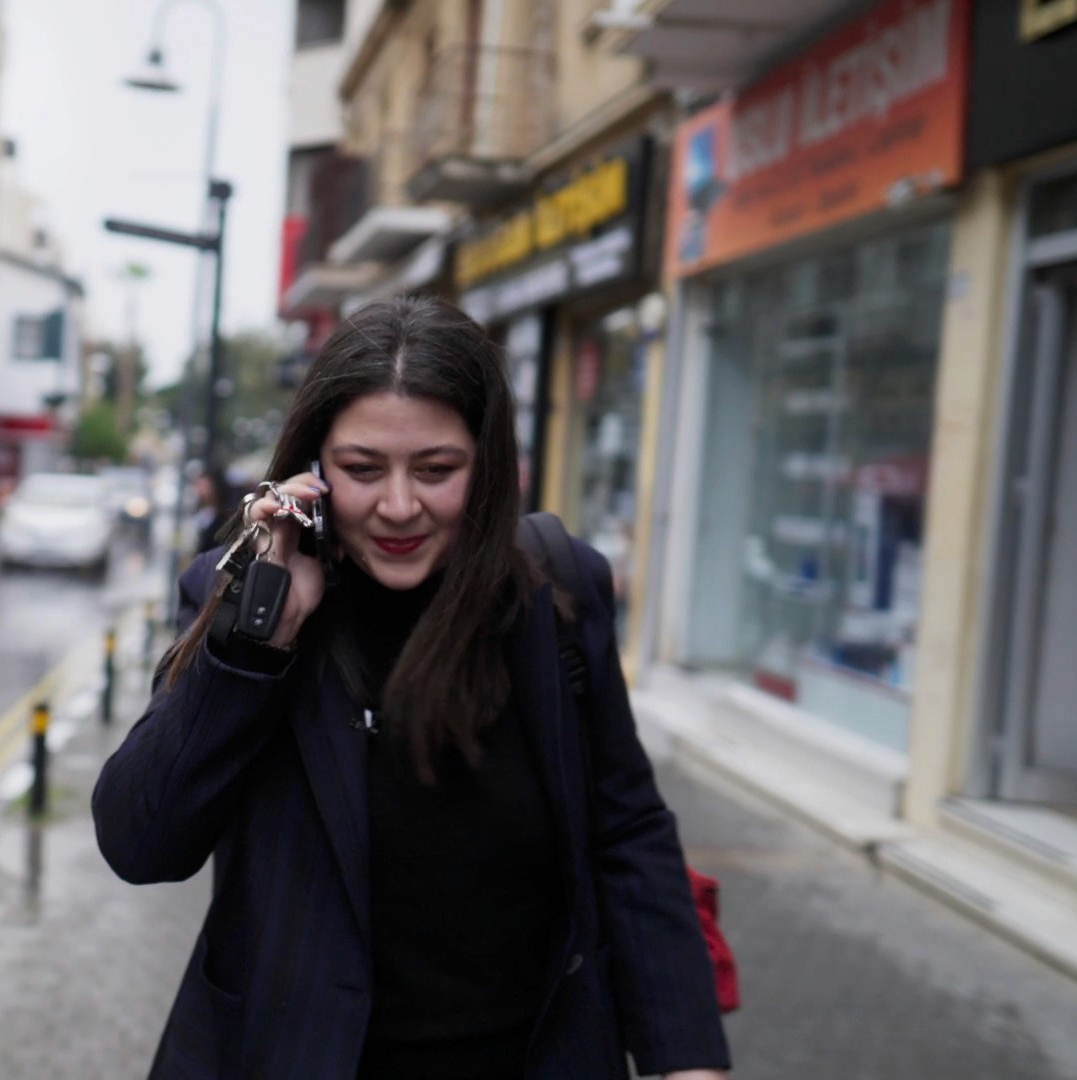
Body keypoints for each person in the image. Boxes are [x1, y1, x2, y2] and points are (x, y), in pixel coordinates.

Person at [93, 297, 731, 1079]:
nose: (399, 507)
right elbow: (140, 843)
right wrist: (258, 639)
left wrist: (687, 1056)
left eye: (436, 470)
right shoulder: (246, 602)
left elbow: (627, 829)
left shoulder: (559, 589)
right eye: (363, 470)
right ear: (315, 467)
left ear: (487, 465)